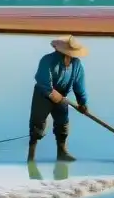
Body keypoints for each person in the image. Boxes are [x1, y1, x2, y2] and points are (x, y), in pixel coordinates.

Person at [29, 35, 89, 163]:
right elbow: (43, 80)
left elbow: (79, 85)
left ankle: (62, 153)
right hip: (43, 94)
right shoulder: (48, 60)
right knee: (37, 125)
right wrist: (52, 94)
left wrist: (82, 103)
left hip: (62, 97)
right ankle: (31, 156)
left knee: (63, 124)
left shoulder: (76, 64)